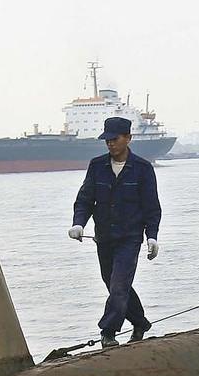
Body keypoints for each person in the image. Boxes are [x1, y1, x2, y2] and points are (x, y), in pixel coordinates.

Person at [70, 116, 161, 347]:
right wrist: (79, 223)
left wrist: (152, 236)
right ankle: (140, 322)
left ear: (128, 138)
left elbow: (152, 206)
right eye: (107, 140)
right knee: (114, 285)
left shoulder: (142, 168)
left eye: (115, 139)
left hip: (130, 239)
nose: (110, 144)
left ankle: (108, 332)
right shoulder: (97, 165)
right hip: (104, 238)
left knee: (119, 285)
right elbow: (85, 199)